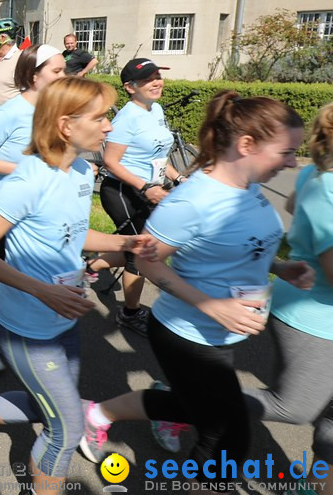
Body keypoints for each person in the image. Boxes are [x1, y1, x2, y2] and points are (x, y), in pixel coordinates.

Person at [77, 92, 309, 483]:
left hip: (221, 334)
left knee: (192, 406)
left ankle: (98, 414)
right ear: (246, 144)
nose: (291, 163)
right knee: (227, 438)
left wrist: (281, 267)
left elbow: (243, 245)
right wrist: (210, 306)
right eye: (286, 152)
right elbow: (147, 260)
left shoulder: (248, 187)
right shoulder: (192, 201)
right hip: (186, 335)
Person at [0, 77, 154, 495]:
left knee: (52, 407)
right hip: (26, 327)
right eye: (100, 118)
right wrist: (41, 290)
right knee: (64, 429)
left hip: (62, 318)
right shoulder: (29, 179)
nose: (110, 127)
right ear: (65, 126)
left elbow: (71, 234)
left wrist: (123, 242)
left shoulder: (80, 170)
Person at [0, 45, 67, 373]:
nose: (65, 76)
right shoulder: (10, 113)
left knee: (8, 280)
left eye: (64, 70)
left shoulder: (51, 111)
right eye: (57, 71)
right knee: (16, 282)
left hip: (28, 213)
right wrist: (22, 171)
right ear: (34, 76)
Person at [242, 102, 333, 487]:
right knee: (294, 407)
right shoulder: (327, 188)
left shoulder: (315, 173)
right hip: (313, 315)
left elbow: (293, 204)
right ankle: (185, 397)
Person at [84, 59, 185, 337]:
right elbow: (111, 162)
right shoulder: (127, 117)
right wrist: (145, 187)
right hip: (122, 192)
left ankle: (90, 264)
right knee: (139, 252)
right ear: (130, 87)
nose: (156, 82)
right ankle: (129, 313)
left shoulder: (156, 109)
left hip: (152, 189)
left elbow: (159, 157)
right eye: (147, 80)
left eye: (157, 77)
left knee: (146, 247)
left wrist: (178, 178)